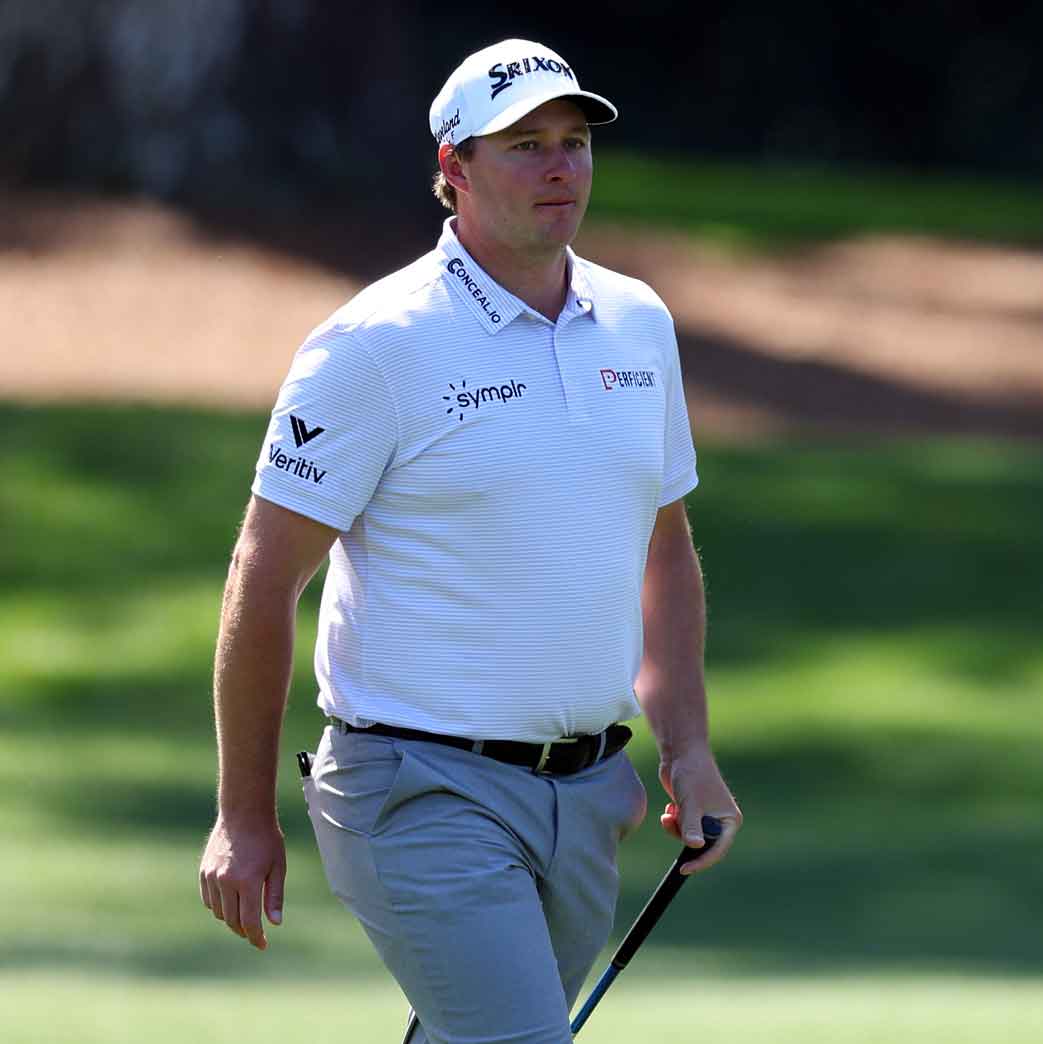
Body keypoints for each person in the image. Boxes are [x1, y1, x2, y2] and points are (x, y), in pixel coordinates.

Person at [196, 38, 742, 1042]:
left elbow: (663, 548)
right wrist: (242, 813)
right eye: (524, 145)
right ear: (453, 171)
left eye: (573, 142)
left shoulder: (635, 322)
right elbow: (263, 578)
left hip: (585, 797)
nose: (559, 167)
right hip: (417, 790)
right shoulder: (376, 344)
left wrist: (691, 750)